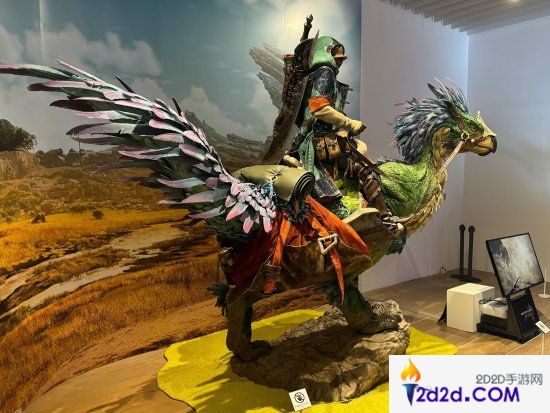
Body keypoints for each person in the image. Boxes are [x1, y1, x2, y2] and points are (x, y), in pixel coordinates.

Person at [285, 36, 392, 221]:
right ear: (327, 53)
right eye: (337, 57)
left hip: (316, 141)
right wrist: (350, 123)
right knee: (367, 168)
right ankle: (384, 217)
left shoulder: (313, 76)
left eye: (342, 58)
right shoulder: (325, 72)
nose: (340, 62)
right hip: (321, 142)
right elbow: (319, 108)